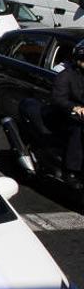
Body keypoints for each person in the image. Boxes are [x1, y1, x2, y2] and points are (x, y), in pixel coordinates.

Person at [52, 40, 84, 187]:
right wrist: (75, 107)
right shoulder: (66, 76)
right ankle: (71, 170)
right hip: (66, 115)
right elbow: (59, 99)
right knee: (78, 129)